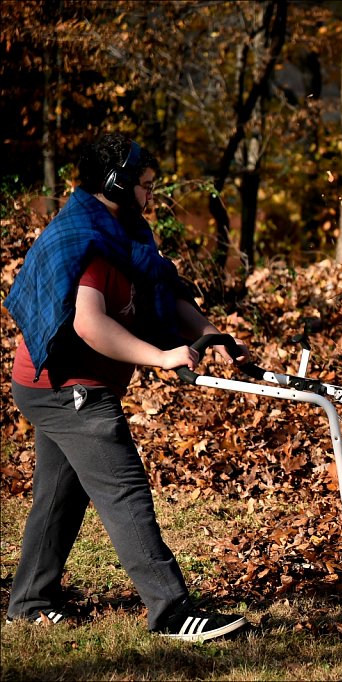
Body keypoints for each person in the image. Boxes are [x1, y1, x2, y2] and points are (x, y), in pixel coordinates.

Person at [4, 132, 249, 642]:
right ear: (115, 183)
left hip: (62, 383)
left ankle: (29, 601)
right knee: (125, 492)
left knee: (60, 495)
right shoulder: (86, 240)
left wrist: (205, 333)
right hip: (65, 385)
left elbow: (162, 289)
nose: (151, 195)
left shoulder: (125, 231)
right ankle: (172, 612)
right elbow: (89, 324)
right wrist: (160, 356)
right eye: (145, 185)